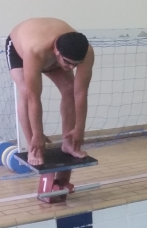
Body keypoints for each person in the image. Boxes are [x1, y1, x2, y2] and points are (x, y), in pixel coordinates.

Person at [7, 18, 94, 166]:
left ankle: (68, 144)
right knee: (27, 92)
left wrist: (79, 128)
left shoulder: (87, 53)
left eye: (76, 64)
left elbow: (80, 94)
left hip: (50, 53)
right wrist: (37, 134)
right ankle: (33, 148)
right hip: (19, 49)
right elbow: (34, 98)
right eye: (67, 62)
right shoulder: (35, 51)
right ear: (56, 51)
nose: (72, 68)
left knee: (69, 89)